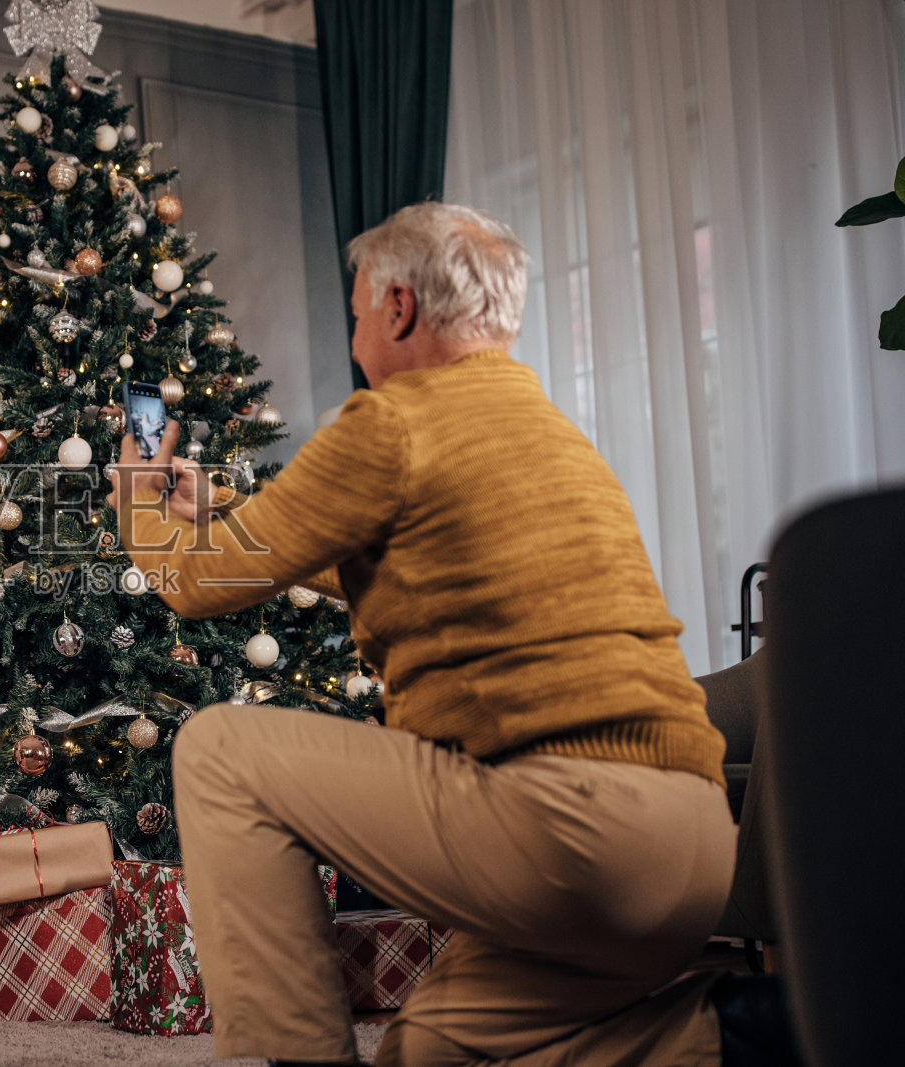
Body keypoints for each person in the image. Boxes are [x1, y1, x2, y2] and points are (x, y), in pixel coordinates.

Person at [109, 203, 754, 1065]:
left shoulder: (393, 420)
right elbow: (393, 556)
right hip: (696, 847)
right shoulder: (553, 434)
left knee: (220, 751)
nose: (356, 338)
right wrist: (220, 504)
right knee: (430, 1050)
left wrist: (135, 497)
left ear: (398, 307)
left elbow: (196, 582)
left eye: (356, 314)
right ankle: (737, 1037)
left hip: (573, 833)